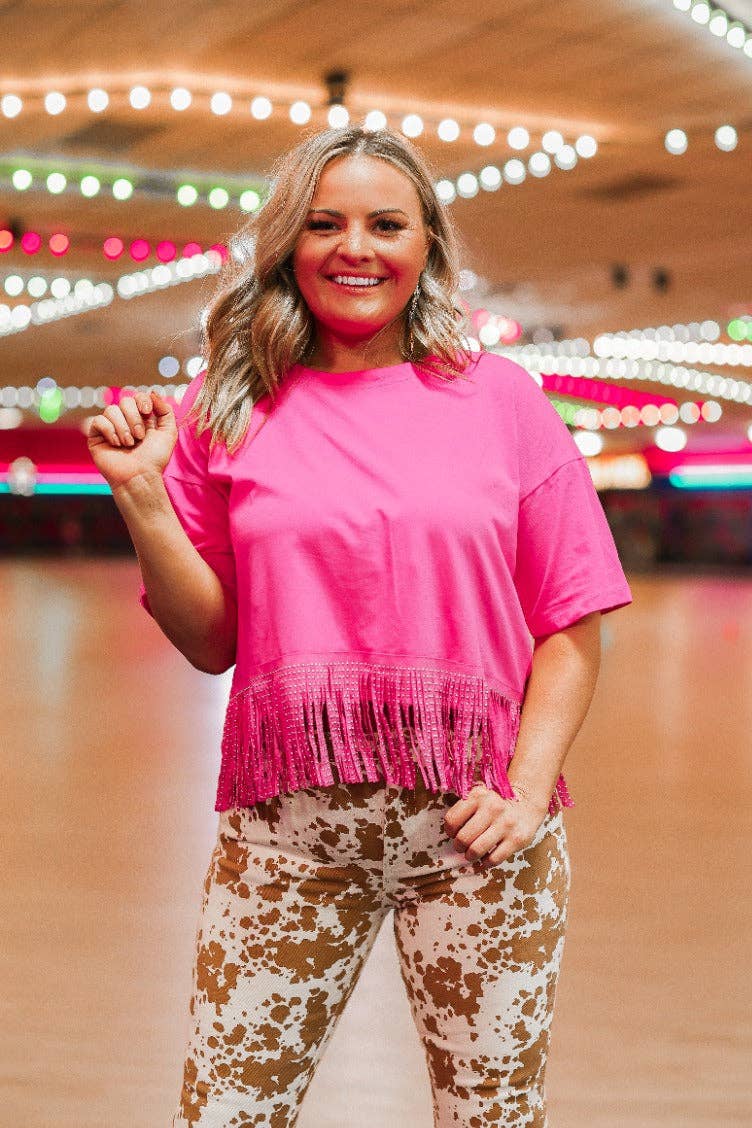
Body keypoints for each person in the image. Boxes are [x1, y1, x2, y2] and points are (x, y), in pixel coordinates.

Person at [87, 126, 633, 1128]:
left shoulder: (501, 400)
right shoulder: (228, 410)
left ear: (426, 244)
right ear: (288, 243)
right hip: (290, 838)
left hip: (477, 840)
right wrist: (144, 500)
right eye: (324, 222)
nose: (356, 247)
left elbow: (572, 619)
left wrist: (521, 792)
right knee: (225, 1114)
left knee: (489, 1119)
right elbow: (210, 640)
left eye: (386, 223)